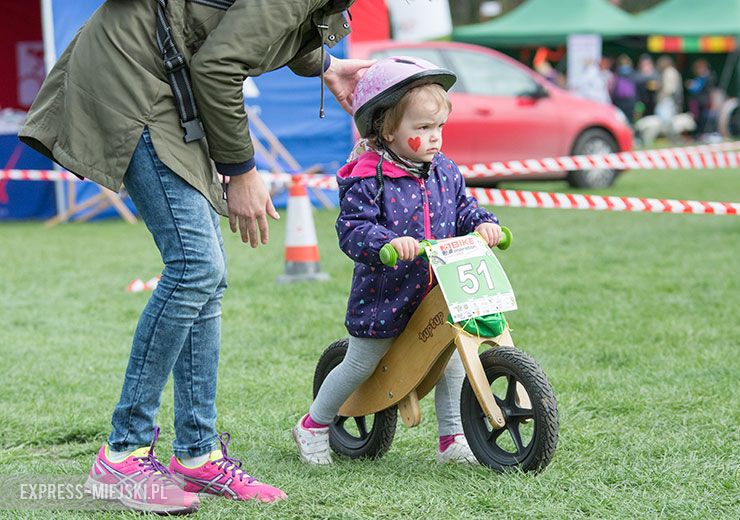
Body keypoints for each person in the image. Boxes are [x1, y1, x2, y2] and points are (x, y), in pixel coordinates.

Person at [19, 0, 373, 514]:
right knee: (196, 267)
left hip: (173, 77)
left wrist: (328, 65)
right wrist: (243, 169)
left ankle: (196, 453)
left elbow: (251, 26)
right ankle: (123, 452)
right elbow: (220, 64)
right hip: (135, 74)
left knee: (207, 274)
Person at [291, 57, 503, 466]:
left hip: (438, 289)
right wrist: (389, 243)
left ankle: (452, 440)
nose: (435, 138)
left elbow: (465, 209)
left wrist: (485, 226)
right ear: (387, 129)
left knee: (453, 356)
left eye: (439, 127)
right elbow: (352, 230)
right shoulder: (368, 175)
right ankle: (314, 424)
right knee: (360, 363)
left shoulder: (444, 170)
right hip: (384, 296)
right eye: (422, 129)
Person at [655, 55, 684, 140]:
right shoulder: (669, 71)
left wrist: (659, 87)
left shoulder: (670, 72)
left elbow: (670, 89)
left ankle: (671, 138)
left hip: (668, 101)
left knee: (667, 121)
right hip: (668, 100)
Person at [686, 59, 716, 138]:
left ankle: (705, 134)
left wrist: (691, 85)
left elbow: (697, 88)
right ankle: (699, 134)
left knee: (705, 119)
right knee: (699, 119)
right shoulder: (701, 77)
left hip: (705, 103)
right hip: (699, 103)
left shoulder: (707, 77)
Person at [610, 55, 638, 125]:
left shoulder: (616, 74)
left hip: (619, 100)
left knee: (620, 119)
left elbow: (613, 88)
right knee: (630, 119)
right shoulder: (633, 73)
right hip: (630, 100)